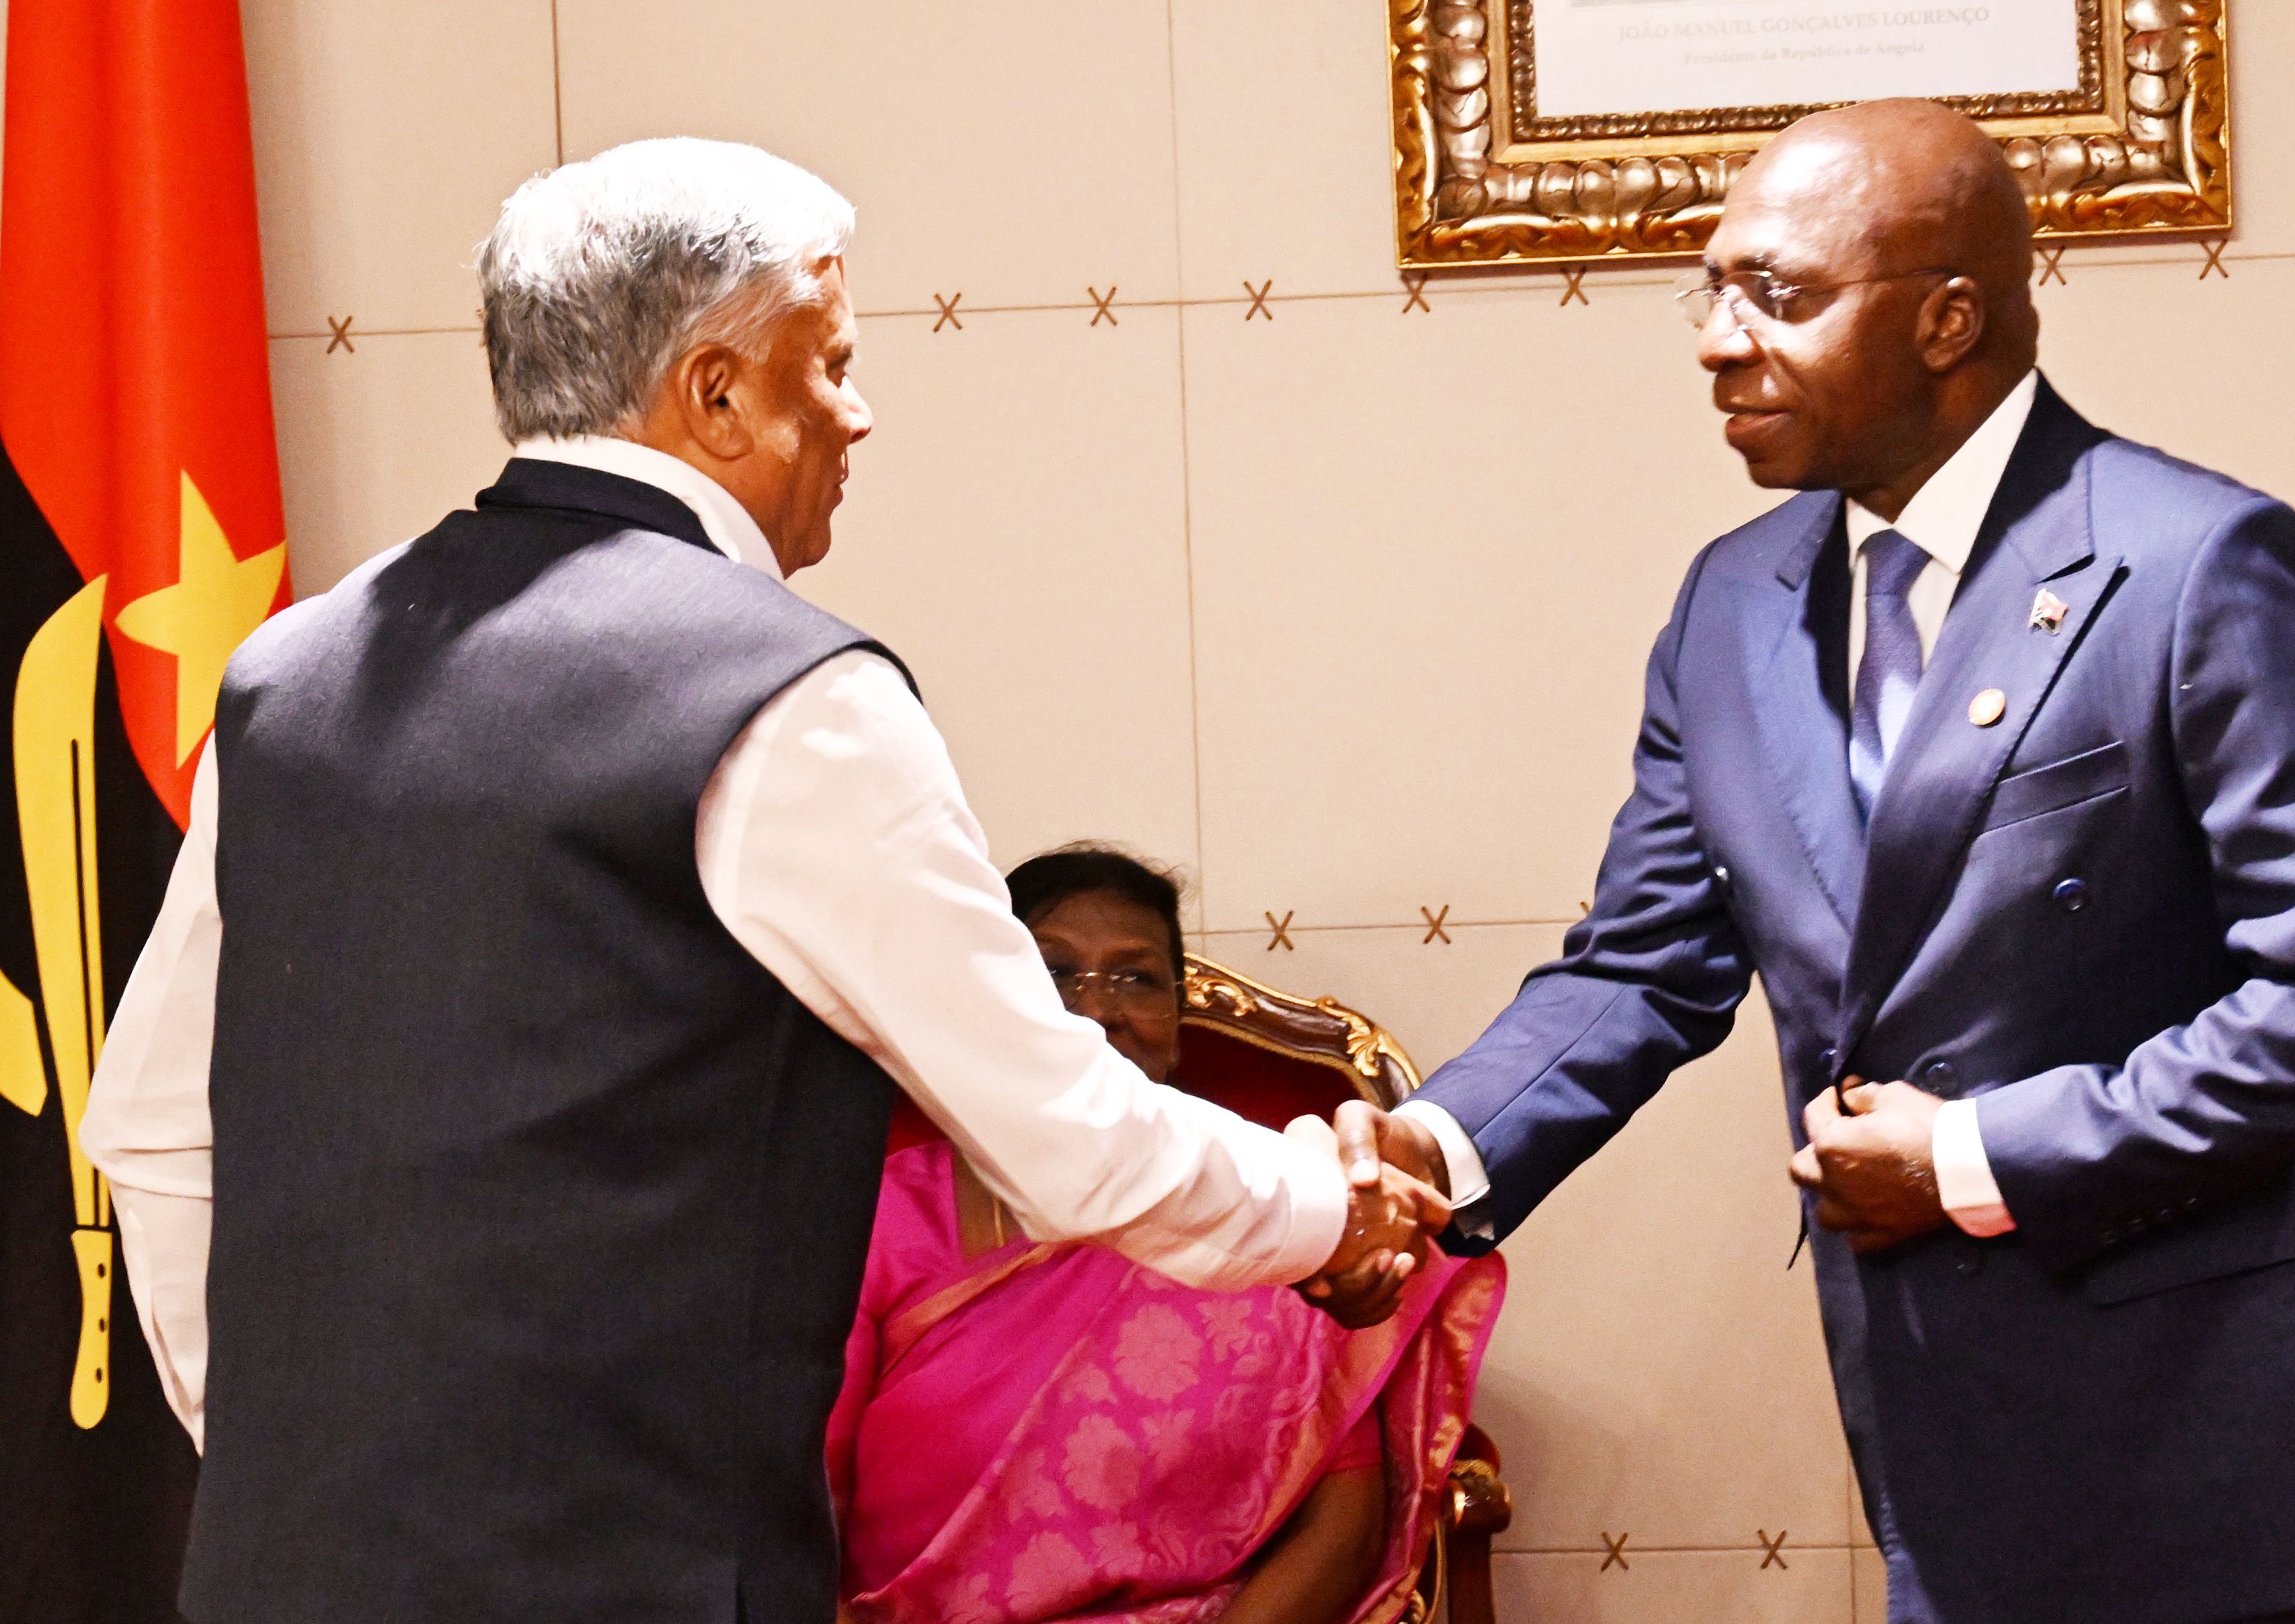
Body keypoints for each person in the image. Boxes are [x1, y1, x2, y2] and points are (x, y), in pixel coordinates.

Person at [74, 139, 1443, 1624]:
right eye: (832, 363)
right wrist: (1327, 1212)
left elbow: (152, 1127)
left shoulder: (284, 676)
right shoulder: (788, 695)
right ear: (717, 394)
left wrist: (277, 1462)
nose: (858, 413)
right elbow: (1064, 1131)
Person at [1320, 99, 2295, 1624]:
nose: (1716, 342)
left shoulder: (2197, 563)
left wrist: (1973, 1156)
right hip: (1943, 1429)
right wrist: (1433, 1151)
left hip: (2223, 1430)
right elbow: (1643, 963)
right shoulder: (1732, 603)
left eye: (1778, 294)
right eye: (1710, 291)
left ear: (1947, 320)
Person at [825, 846, 1503, 1624]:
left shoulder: (1265, 1203)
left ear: (1177, 1022)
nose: (1097, 1009)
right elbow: (793, 1491)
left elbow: (1342, 1519)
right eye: (1053, 973)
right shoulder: (877, 1218)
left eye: (1137, 978)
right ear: (989, 1008)